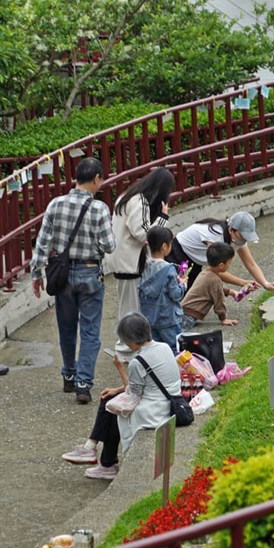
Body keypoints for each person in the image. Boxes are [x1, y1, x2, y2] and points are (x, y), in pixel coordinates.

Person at [30, 157, 116, 404]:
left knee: (66, 329)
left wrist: (37, 274)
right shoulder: (99, 208)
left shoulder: (55, 204)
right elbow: (109, 246)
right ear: (97, 178)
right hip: (90, 274)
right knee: (90, 331)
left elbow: (43, 243)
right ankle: (83, 383)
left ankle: (69, 374)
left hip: (62, 276)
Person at [61, 313, 181, 480]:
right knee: (109, 400)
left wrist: (120, 368)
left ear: (131, 340)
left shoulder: (137, 362)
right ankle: (99, 456)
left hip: (154, 410)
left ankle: (101, 457)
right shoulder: (164, 347)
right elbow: (143, 384)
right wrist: (116, 390)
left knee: (111, 407)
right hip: (169, 400)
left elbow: (132, 393)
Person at [104, 167, 174, 355]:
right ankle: (126, 348)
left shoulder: (127, 196)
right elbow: (143, 233)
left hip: (123, 260)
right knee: (131, 309)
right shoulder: (139, 200)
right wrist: (162, 218)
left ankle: (126, 346)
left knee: (128, 306)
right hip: (130, 263)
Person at [166, 212, 274, 293]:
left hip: (196, 261)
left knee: (188, 297)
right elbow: (217, 269)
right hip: (179, 254)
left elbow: (251, 264)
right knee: (176, 292)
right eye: (242, 236)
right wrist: (242, 282)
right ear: (231, 229)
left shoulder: (238, 239)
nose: (243, 240)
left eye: (247, 237)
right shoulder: (215, 236)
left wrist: (265, 283)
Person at [139, 227, 186, 352]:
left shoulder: (144, 264)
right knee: (175, 350)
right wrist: (182, 285)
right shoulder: (168, 269)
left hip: (150, 318)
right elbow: (176, 295)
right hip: (168, 319)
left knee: (155, 350)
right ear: (165, 246)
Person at [180, 242, 239, 329]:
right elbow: (219, 300)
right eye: (229, 263)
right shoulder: (215, 279)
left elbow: (214, 289)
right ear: (221, 265)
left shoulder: (205, 273)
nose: (230, 265)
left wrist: (231, 292)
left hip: (183, 311)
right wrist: (223, 318)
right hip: (189, 316)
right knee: (178, 335)